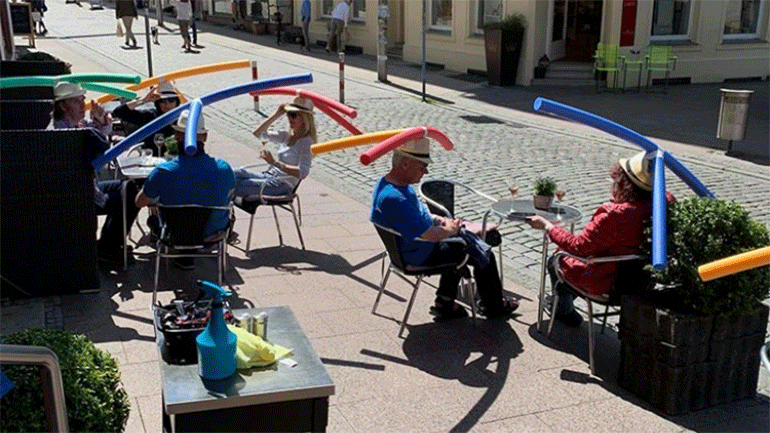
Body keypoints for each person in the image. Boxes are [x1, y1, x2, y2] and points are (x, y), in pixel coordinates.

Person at [370, 139, 519, 320]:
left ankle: (446, 301)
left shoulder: (389, 185)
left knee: (475, 241)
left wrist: (441, 220)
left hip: (408, 248)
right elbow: (432, 236)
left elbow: (418, 216)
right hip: (419, 254)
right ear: (406, 163)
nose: (426, 171)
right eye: (422, 166)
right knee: (482, 250)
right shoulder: (395, 199)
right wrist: (452, 230)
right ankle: (493, 306)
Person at [526, 151, 675, 326]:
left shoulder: (616, 215)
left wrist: (548, 226)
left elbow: (578, 246)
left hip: (606, 281)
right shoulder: (665, 202)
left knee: (556, 259)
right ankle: (564, 301)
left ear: (622, 182)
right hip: (641, 284)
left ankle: (564, 311)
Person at [47, 82, 141, 265]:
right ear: (63, 105)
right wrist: (99, 127)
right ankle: (108, 248)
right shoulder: (62, 134)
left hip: (86, 188)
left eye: (83, 100)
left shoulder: (70, 125)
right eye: (77, 101)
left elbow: (97, 132)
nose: (83, 106)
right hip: (79, 196)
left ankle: (108, 244)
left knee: (129, 187)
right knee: (131, 197)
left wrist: (99, 120)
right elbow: (100, 150)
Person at [136, 109, 235, 269]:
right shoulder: (224, 169)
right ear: (204, 137)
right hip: (212, 234)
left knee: (154, 214)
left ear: (176, 136)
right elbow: (230, 195)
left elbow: (139, 202)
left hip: (174, 234)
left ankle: (181, 257)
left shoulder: (163, 172)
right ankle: (187, 258)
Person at [233, 96, 315, 199]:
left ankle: (220, 212)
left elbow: (303, 172)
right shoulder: (287, 136)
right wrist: (277, 114)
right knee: (232, 173)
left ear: (305, 118)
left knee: (233, 184)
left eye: (293, 115)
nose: (290, 118)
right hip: (268, 176)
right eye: (288, 114)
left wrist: (274, 163)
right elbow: (258, 133)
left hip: (281, 185)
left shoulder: (307, 142)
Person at [111, 81, 181, 156]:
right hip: (152, 160)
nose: (167, 104)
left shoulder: (183, 118)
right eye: (163, 101)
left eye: (171, 100)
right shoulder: (150, 116)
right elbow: (118, 112)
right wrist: (143, 100)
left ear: (176, 102)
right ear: (158, 103)